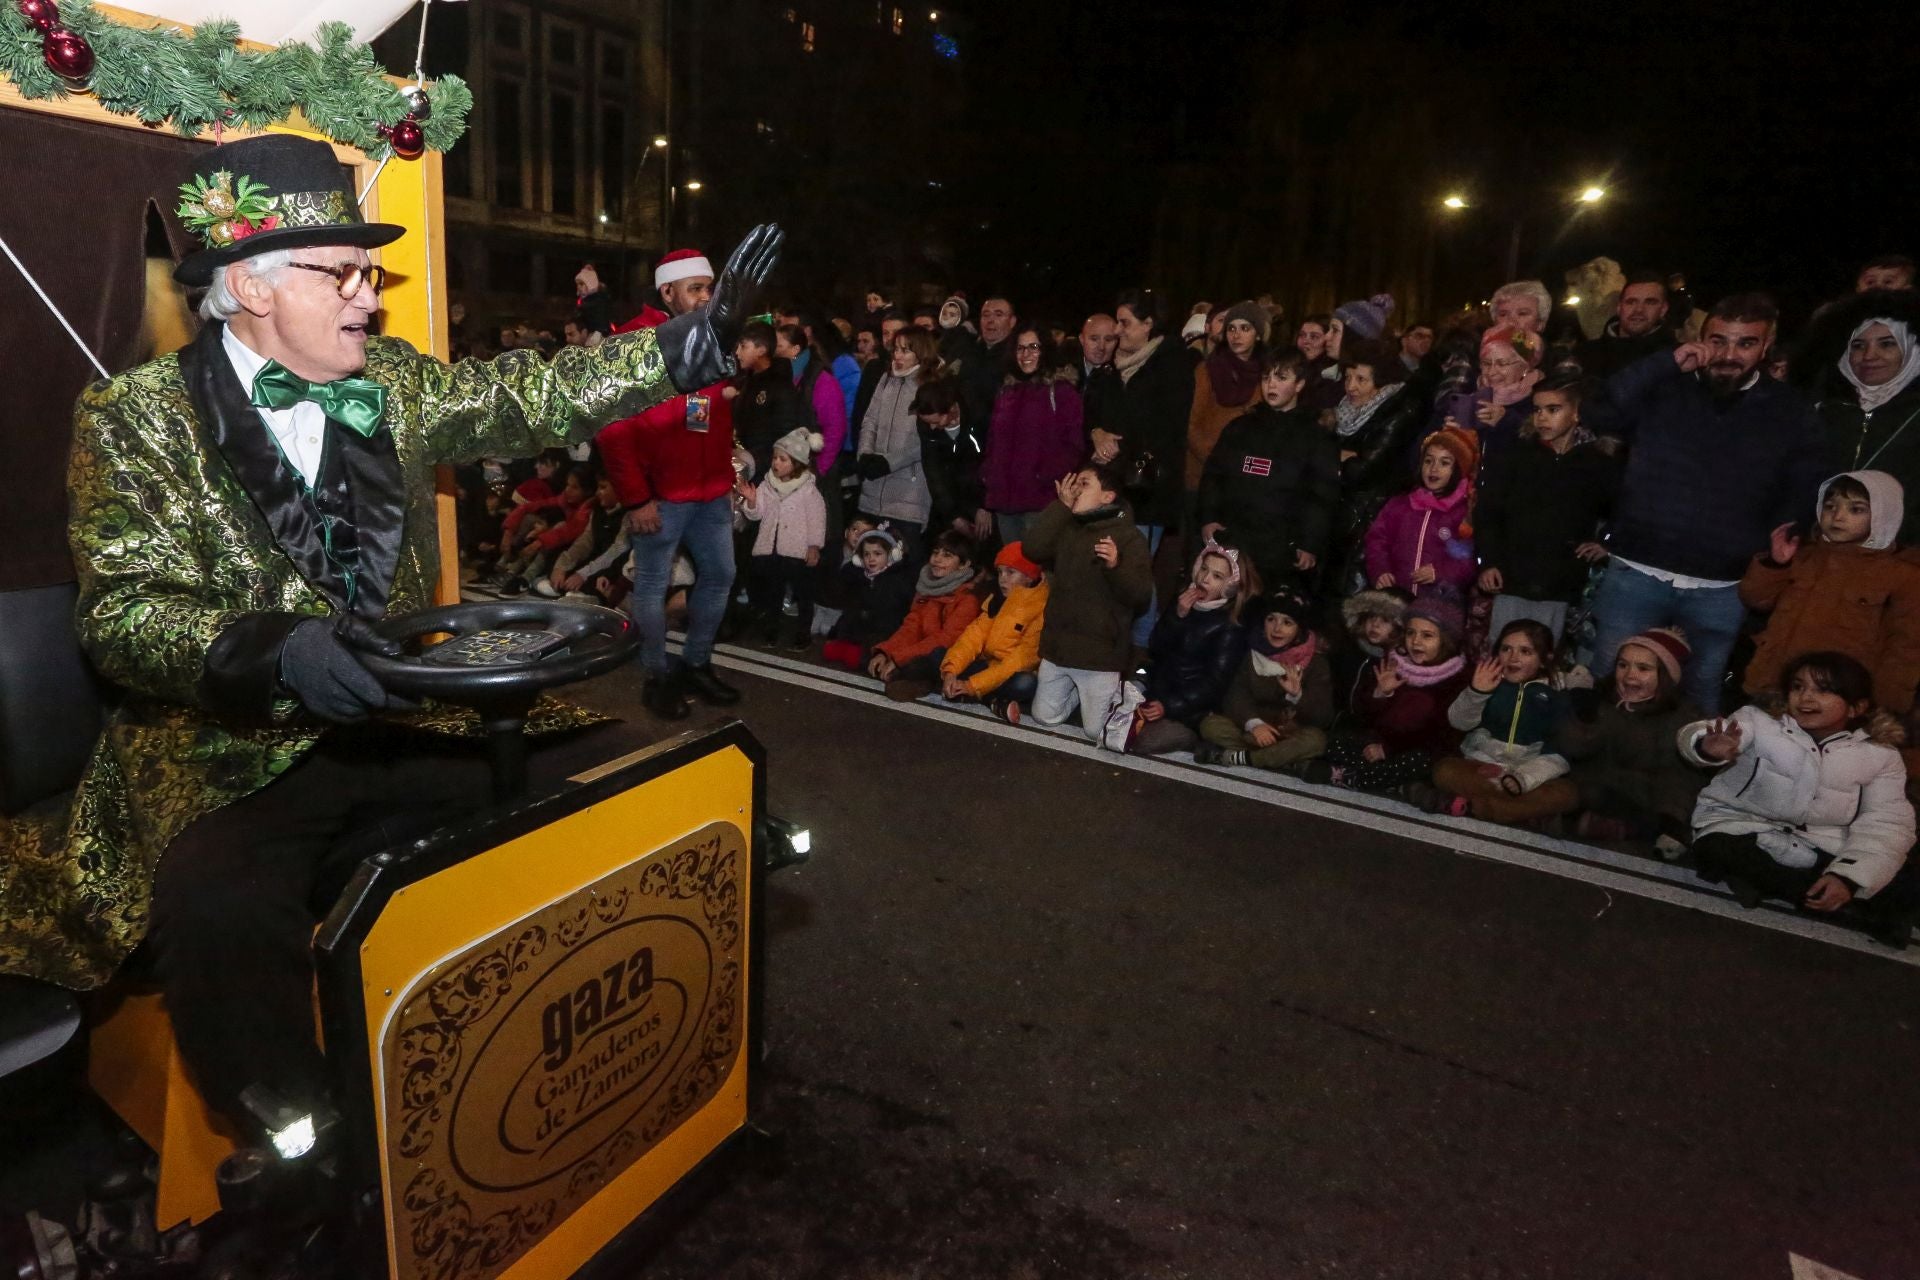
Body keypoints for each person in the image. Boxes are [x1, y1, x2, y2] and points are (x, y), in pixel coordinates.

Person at [10, 135, 780, 1160]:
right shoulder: (133, 416)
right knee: (215, 908)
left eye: (370, 274)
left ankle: (601, 1048)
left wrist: (684, 348)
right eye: (346, 274)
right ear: (248, 285)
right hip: (228, 755)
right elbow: (120, 614)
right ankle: (305, 1148)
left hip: (412, 715)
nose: (370, 299)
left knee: (623, 781)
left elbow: (531, 394)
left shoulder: (401, 383)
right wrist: (274, 650)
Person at [1583, 294, 1830, 712]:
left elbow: (1805, 480)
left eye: (1745, 343)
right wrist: (1663, 363)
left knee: (1701, 696)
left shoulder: (1789, 410)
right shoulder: (1664, 386)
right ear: (1701, 339)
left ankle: (1686, 777)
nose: (1729, 355)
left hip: (1722, 585)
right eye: (1719, 341)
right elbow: (1598, 412)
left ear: (1766, 347)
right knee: (1610, 683)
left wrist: (1784, 532)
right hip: (1636, 570)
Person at [598, 244, 765, 719]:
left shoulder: (714, 335)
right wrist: (635, 499)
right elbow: (613, 430)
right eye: (696, 289)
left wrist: (728, 473)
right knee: (651, 585)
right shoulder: (632, 342)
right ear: (666, 290)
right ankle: (657, 673)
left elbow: (712, 414)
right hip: (660, 498)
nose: (705, 297)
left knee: (720, 576)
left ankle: (695, 663)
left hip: (710, 490)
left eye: (709, 288)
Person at [1684, 653, 1919, 946]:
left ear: (1856, 707)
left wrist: (1847, 878)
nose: (1806, 697)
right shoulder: (1758, 721)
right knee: (1718, 848)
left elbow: (1888, 823)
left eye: (1823, 690)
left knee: (1900, 877)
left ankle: (1800, 891)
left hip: (1821, 843)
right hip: (1742, 825)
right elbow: (1700, 736)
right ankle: (1845, 910)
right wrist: (1707, 747)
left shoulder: (1881, 755)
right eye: (1798, 687)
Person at [1739, 471, 1920, 714]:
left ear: (1883, 516)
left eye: (1856, 509)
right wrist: (1776, 564)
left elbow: (1905, 651)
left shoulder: (1903, 575)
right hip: (1775, 683)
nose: (1838, 516)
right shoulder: (1806, 554)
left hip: (1838, 699)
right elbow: (1756, 599)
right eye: (1830, 506)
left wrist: (1883, 711)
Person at [1473, 374, 1620, 641]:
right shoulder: (1517, 455)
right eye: (1538, 410)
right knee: (1504, 649)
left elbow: (1620, 508)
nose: (1542, 418)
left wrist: (1605, 542)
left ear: (1576, 413)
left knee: (1547, 655)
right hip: (1512, 577)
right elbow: (1488, 511)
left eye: (1553, 410)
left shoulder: (1597, 463)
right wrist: (1489, 562)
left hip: (1561, 581)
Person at [1092, 289, 1195, 646]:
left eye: (1126, 323)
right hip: (1111, 482)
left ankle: (1140, 648)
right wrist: (1097, 433)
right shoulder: (1112, 366)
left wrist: (1118, 445)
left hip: (1147, 488)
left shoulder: (1174, 364)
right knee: (1116, 568)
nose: (1119, 331)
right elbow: (1093, 410)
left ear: (1149, 324)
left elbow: (1167, 427)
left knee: (1133, 570)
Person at [1022, 462, 1155, 737]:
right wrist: (1060, 507)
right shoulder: (1067, 526)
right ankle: (1080, 700)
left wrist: (1116, 566)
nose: (1074, 489)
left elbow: (1140, 596)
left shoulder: (1129, 537)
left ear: (1108, 496)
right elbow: (1032, 549)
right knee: (1044, 718)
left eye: (1084, 484)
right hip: (1059, 649)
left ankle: (1126, 696)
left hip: (1099, 654)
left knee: (1098, 732)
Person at [1196, 350, 1341, 590]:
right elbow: (1214, 475)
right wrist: (1208, 517)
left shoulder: (1315, 436)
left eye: (1281, 378)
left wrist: (1309, 542)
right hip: (1233, 537)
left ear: (1299, 385)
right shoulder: (1240, 427)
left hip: (1281, 547)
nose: (1271, 385)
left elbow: (1322, 494)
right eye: (1266, 378)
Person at [1552, 627, 1709, 846]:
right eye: (1622, 665)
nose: (1629, 675)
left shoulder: (1680, 716)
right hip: (1590, 789)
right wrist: (1584, 715)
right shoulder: (1602, 699)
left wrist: (1671, 821)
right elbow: (1571, 747)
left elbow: (1677, 778)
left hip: (1640, 799)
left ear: (1664, 675)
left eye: (1643, 668)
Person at [1305, 590, 1470, 793]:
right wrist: (1381, 694)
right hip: (1381, 743)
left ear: (1445, 640)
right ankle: (1395, 785)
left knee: (1420, 761)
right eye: (1411, 633)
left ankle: (1352, 776)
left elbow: (1441, 734)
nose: (1416, 641)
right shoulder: (1394, 663)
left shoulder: (1454, 678)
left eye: (1427, 636)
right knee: (1335, 741)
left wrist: (1388, 749)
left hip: (1416, 749)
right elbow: (1368, 718)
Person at [1795, 288, 1920, 537]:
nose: (1869, 356)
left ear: (1911, 350)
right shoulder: (1823, 410)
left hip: (1902, 558)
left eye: (1887, 344)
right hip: (1820, 551)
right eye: (1858, 345)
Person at [1426, 620, 1570, 818]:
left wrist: (1522, 779)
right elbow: (1458, 722)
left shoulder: (1555, 696)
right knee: (1444, 770)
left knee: (1567, 793)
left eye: (1525, 652)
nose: (1513, 658)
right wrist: (1477, 692)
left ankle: (1482, 806)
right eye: (1506, 649)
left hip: (1526, 774)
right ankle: (1519, 812)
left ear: (1545, 659)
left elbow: (1558, 752)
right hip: (1480, 766)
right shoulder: (1488, 682)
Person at [1128, 543, 1254, 756]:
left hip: (1190, 711)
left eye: (1217, 576)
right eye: (1204, 569)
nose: (1205, 579)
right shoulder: (1183, 601)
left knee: (1141, 742)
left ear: (1230, 586)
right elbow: (1156, 647)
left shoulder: (1230, 626)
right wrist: (1177, 616)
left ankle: (1194, 739)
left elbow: (1214, 684)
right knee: (1112, 724)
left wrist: (1168, 706)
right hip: (1157, 692)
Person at [1194, 587, 1334, 771]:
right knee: (1211, 725)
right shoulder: (1253, 652)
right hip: (1253, 732)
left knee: (1316, 741)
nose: (1277, 628)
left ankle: (1241, 757)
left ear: (1299, 629)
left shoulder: (1316, 663)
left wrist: (1297, 695)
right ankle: (1283, 761)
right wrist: (1255, 724)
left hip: (1290, 735)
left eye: (1287, 622)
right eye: (1271, 620)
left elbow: (1323, 716)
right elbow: (1236, 694)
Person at [1329, 340, 1425, 593]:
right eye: (1348, 377)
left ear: (1380, 382)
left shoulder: (1395, 412)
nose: (1351, 387)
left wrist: (1341, 458)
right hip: (1342, 513)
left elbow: (1361, 470)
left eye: (1361, 379)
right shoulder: (1344, 410)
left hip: (1369, 513)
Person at [981, 326, 1086, 545]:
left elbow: (1073, 444)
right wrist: (990, 477)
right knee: (1011, 570)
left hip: (1040, 500)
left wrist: (1044, 476)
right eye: (1020, 348)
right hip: (1004, 501)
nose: (1026, 354)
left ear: (1045, 350)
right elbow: (992, 443)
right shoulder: (1007, 392)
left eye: (1033, 347)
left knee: (1038, 570)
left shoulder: (1061, 392)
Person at [855, 326, 943, 556]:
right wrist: (865, 454)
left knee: (901, 563)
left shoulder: (930, 385)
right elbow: (870, 419)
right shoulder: (887, 379)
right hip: (874, 491)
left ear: (920, 352)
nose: (898, 356)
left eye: (906, 350)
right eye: (896, 349)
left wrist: (889, 462)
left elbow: (927, 437)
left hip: (908, 493)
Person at [1364, 426, 1478, 600]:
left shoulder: (1465, 512)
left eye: (1444, 463)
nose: (1433, 469)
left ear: (1459, 470)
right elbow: (1377, 540)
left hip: (1440, 604)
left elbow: (1469, 559)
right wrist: (1381, 570)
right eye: (1428, 461)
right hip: (1397, 598)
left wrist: (1440, 572)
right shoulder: (1400, 505)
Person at [868, 530, 984, 700]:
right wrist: (886, 653)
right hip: (924, 649)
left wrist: (900, 658)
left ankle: (920, 680)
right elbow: (911, 627)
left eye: (947, 555)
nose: (937, 559)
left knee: (931, 658)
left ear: (964, 565)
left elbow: (947, 639)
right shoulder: (926, 589)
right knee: (875, 650)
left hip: (951, 657)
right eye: (935, 553)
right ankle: (918, 680)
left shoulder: (967, 598)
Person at [739, 427, 827, 647]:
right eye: (775, 458)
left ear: (796, 463)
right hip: (772, 550)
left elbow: (817, 519)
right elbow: (756, 514)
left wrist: (814, 546)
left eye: (782, 459)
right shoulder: (767, 485)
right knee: (773, 592)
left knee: (803, 592)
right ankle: (771, 629)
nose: (776, 463)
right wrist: (750, 500)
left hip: (797, 551)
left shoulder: (808, 490)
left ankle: (803, 631)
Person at [940, 542, 1048, 721]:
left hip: (1010, 673)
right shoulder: (997, 598)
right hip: (987, 665)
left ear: (1029, 577)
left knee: (1026, 683)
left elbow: (1017, 662)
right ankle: (993, 701)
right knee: (942, 656)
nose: (1002, 579)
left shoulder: (1041, 608)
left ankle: (965, 692)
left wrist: (972, 685)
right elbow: (972, 638)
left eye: (1010, 572)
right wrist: (951, 672)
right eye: (999, 572)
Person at [1184, 300, 1267, 514]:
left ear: (1258, 334)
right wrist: (1218, 460)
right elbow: (1191, 424)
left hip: (1243, 480)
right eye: (1231, 328)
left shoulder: (1267, 375)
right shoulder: (1208, 369)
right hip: (1201, 475)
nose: (1236, 335)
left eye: (1244, 328)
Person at [1434, 324, 1543, 472]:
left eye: (1502, 363)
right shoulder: (1467, 394)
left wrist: (1506, 421)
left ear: (1525, 367)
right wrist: (1448, 435)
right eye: (1486, 363)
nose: (1492, 372)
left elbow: (1542, 452)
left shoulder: (1541, 400)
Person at [821, 526, 916, 669]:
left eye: (877, 554)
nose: (871, 559)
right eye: (866, 554)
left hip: (885, 635)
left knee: (860, 659)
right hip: (862, 631)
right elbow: (851, 610)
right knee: (831, 650)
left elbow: (894, 620)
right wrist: (835, 634)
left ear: (892, 555)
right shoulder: (861, 577)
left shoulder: (897, 581)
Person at [912, 375, 990, 542]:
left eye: (936, 421)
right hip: (951, 498)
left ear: (952, 409)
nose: (932, 427)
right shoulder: (926, 425)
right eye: (927, 422)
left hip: (982, 497)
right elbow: (933, 472)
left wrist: (986, 505)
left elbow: (992, 463)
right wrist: (953, 516)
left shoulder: (978, 415)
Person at [538, 467, 631, 601]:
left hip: (612, 565)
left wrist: (583, 574)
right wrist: (561, 566)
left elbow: (616, 551)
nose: (598, 492)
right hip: (595, 560)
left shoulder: (628, 514)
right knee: (558, 560)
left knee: (605, 576)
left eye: (603, 488)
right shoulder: (597, 509)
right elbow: (585, 542)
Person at [730, 320, 807, 481]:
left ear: (761, 350)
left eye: (743, 346)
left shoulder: (780, 387)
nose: (737, 352)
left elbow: (785, 438)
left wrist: (755, 460)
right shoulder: (747, 380)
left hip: (766, 476)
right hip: (744, 469)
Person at [1574, 271, 1675, 381]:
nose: (1639, 309)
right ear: (1619, 307)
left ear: (1663, 309)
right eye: (1631, 302)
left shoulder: (1676, 358)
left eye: (1650, 302)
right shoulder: (1584, 354)